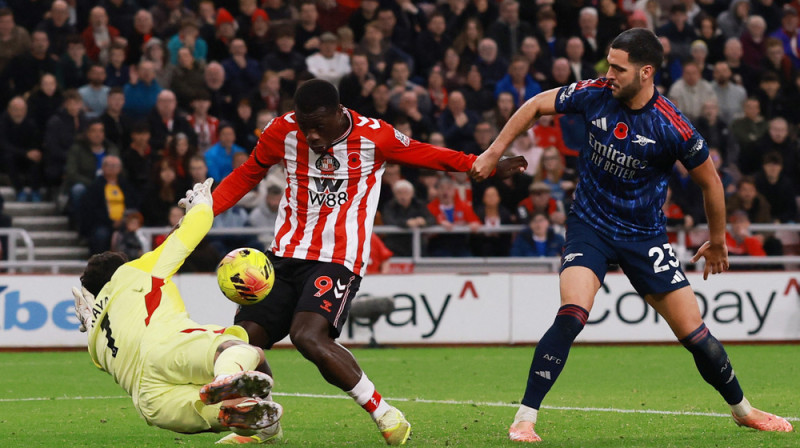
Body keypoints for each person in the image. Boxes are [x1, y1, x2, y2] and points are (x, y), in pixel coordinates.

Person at [470, 28, 793, 443]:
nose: (609, 74)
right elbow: (535, 105)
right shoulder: (595, 93)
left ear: (646, 72)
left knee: (695, 335)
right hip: (590, 225)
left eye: (618, 68)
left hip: (645, 236)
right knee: (572, 314)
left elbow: (711, 182)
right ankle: (525, 417)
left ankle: (743, 411)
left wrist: (718, 239)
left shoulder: (671, 125)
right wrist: (494, 151)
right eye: (607, 64)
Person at [209, 79, 525, 445]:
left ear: (338, 112)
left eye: (319, 125)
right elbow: (249, 172)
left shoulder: (375, 135)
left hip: (337, 258)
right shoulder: (282, 130)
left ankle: (385, 413)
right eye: (305, 126)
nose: (311, 135)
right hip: (283, 255)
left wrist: (478, 164)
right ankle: (263, 425)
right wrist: (206, 209)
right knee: (242, 341)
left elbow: (427, 154)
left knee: (307, 336)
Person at [71, 178, 283, 444]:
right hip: (164, 349)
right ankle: (229, 377)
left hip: (151, 401)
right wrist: (202, 207)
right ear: (120, 267)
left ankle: (243, 416)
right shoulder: (133, 272)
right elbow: (188, 236)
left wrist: (91, 319)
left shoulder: (94, 341)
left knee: (213, 410)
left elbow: (101, 339)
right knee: (238, 350)